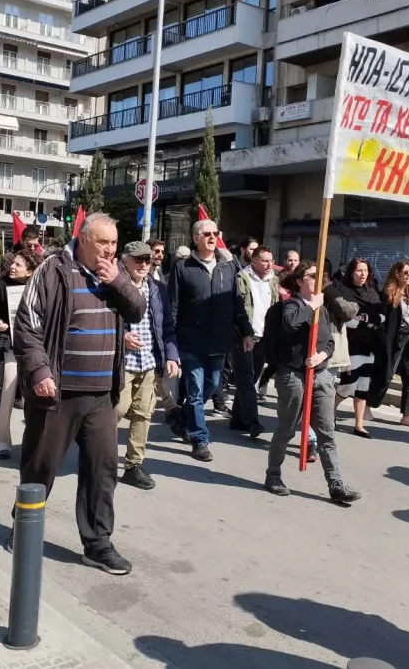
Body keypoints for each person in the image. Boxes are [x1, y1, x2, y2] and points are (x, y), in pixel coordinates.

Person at [14, 213, 145, 575]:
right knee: (41, 466)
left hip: (102, 394)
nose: (110, 250)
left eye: (114, 243)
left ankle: (98, 543)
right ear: (84, 239)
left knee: (103, 469)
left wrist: (119, 281)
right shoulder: (53, 270)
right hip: (58, 393)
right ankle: (23, 527)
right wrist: (40, 371)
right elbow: (27, 325)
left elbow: (137, 310)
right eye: (103, 242)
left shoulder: (115, 273)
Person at [264, 261, 361, 504]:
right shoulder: (292, 305)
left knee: (327, 432)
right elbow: (290, 324)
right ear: (299, 281)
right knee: (286, 429)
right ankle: (273, 475)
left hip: (321, 375)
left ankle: (336, 484)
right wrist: (311, 306)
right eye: (311, 276)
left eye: (320, 276)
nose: (317, 280)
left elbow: (330, 342)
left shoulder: (323, 310)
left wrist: (322, 355)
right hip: (293, 376)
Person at [168, 219, 253, 462]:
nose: (212, 237)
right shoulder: (182, 267)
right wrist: (171, 345)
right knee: (195, 390)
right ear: (195, 238)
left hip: (219, 340)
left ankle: (182, 418)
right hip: (191, 341)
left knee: (211, 384)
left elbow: (237, 302)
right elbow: (173, 307)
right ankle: (200, 440)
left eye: (215, 233)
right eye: (206, 234)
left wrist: (246, 331)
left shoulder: (228, 267)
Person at [115, 241, 179, 490]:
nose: (143, 264)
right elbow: (104, 321)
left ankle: (133, 465)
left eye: (147, 259)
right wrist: (122, 337)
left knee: (144, 414)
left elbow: (168, 326)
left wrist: (171, 356)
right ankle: (98, 455)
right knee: (116, 410)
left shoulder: (157, 288)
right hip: (123, 362)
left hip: (150, 362)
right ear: (125, 261)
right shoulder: (115, 286)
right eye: (138, 259)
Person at [0, 250, 36, 458]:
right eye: (13, 263)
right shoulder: (1, 284)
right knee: (3, 394)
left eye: (18, 265)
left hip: (32, 348)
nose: (12, 267)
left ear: (30, 271)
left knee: (35, 400)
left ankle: (34, 445)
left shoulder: (37, 287)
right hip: (7, 348)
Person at [369, 260, 409, 428]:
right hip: (394, 340)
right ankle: (367, 406)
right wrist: (383, 340)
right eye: (405, 272)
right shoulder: (387, 296)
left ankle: (408, 415)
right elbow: (382, 321)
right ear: (397, 274)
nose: (408, 276)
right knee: (385, 376)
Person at [331, 258, 383, 438]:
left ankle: (359, 424)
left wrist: (365, 319)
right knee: (348, 384)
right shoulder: (343, 291)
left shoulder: (372, 291)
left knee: (363, 385)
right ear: (351, 272)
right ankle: (331, 407)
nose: (362, 274)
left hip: (370, 345)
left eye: (365, 270)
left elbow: (382, 316)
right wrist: (368, 321)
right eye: (359, 270)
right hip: (351, 345)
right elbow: (347, 319)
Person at [231, 245, 277, 437]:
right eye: (265, 260)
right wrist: (244, 332)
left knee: (251, 378)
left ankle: (237, 418)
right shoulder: (242, 278)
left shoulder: (273, 279)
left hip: (264, 336)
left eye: (271, 260)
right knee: (246, 378)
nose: (269, 264)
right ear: (254, 261)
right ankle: (253, 422)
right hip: (243, 335)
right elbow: (237, 308)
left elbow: (275, 306)